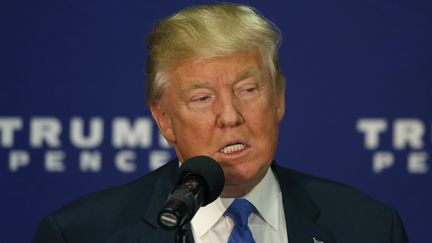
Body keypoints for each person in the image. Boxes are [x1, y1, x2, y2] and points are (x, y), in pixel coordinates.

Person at [32, 3, 409, 243]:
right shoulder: (82, 234)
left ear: (278, 99)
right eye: (202, 98)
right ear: (164, 120)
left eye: (248, 89)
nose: (230, 116)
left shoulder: (370, 227)